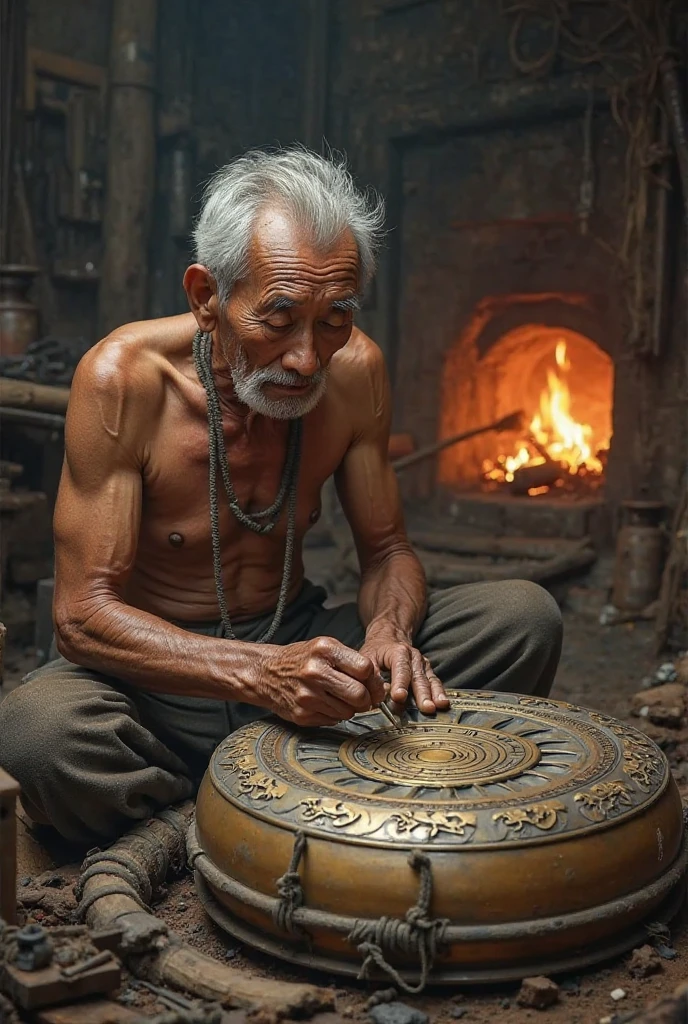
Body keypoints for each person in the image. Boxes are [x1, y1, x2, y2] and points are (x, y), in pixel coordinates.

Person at [0, 147, 562, 842]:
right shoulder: (124, 379)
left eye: (335, 318)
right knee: (38, 732)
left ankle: (235, 803)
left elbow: (387, 550)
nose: (306, 357)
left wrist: (389, 630)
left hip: (305, 649)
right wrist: (258, 674)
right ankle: (254, 804)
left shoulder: (355, 372)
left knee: (521, 617)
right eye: (279, 318)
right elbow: (82, 616)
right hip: (157, 680)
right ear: (208, 297)